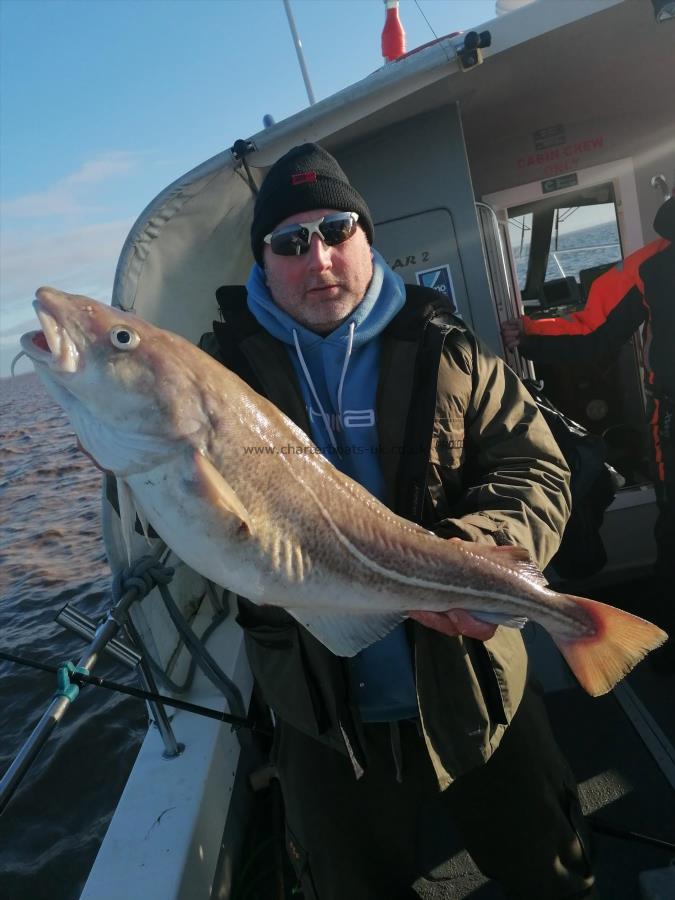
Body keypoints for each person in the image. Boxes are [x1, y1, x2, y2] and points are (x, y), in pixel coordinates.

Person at [202, 143, 596, 898]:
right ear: (262, 259)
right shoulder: (221, 375)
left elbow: (535, 468)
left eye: (337, 229)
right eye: (290, 241)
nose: (317, 256)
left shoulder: (446, 346)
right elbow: (184, 525)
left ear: (367, 238)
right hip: (325, 717)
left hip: (478, 691)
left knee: (552, 873)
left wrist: (471, 555)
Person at [502, 194, 674, 669]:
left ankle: (659, 643)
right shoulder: (651, 263)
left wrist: (528, 335)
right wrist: (532, 335)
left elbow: (594, 331)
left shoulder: (654, 263)